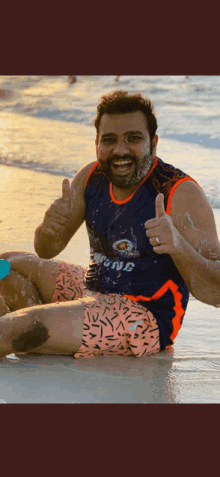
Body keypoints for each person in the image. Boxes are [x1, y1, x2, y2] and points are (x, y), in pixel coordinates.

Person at [1, 90, 220, 359]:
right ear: (96, 143)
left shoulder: (180, 193)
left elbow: (216, 292)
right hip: (93, 291)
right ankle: (39, 344)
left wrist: (179, 247)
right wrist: (47, 230)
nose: (120, 150)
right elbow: (47, 250)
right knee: (4, 266)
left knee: (20, 327)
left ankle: (29, 332)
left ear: (154, 143)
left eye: (133, 138)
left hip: (143, 316)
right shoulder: (92, 176)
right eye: (109, 140)